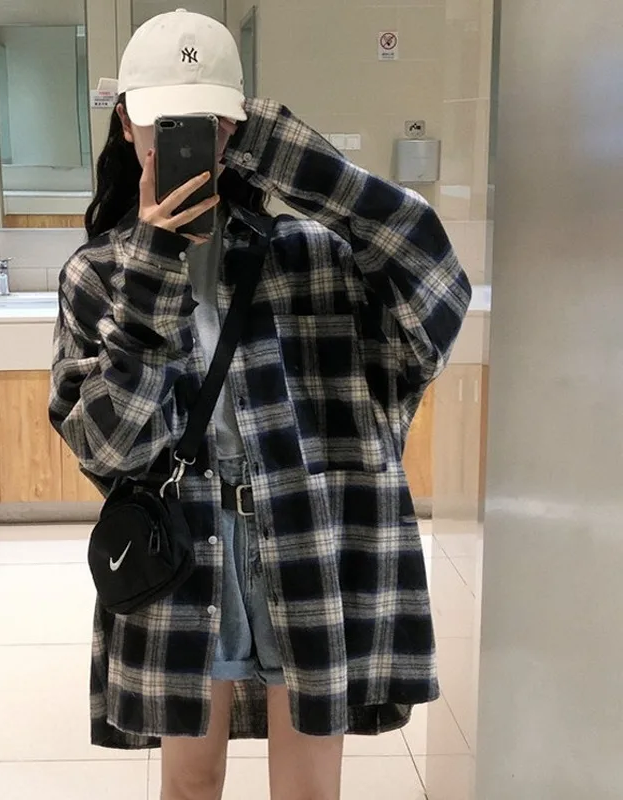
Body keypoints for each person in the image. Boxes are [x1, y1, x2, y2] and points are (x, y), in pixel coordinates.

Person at [50, 9, 471, 800]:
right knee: (190, 785)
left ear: (237, 130)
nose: (181, 144)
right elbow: (108, 451)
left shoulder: (312, 253)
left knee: (310, 791)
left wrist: (289, 154)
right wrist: (153, 274)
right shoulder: (99, 274)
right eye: (162, 124)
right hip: (183, 551)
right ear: (126, 124)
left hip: (312, 536)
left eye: (207, 124)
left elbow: (437, 288)